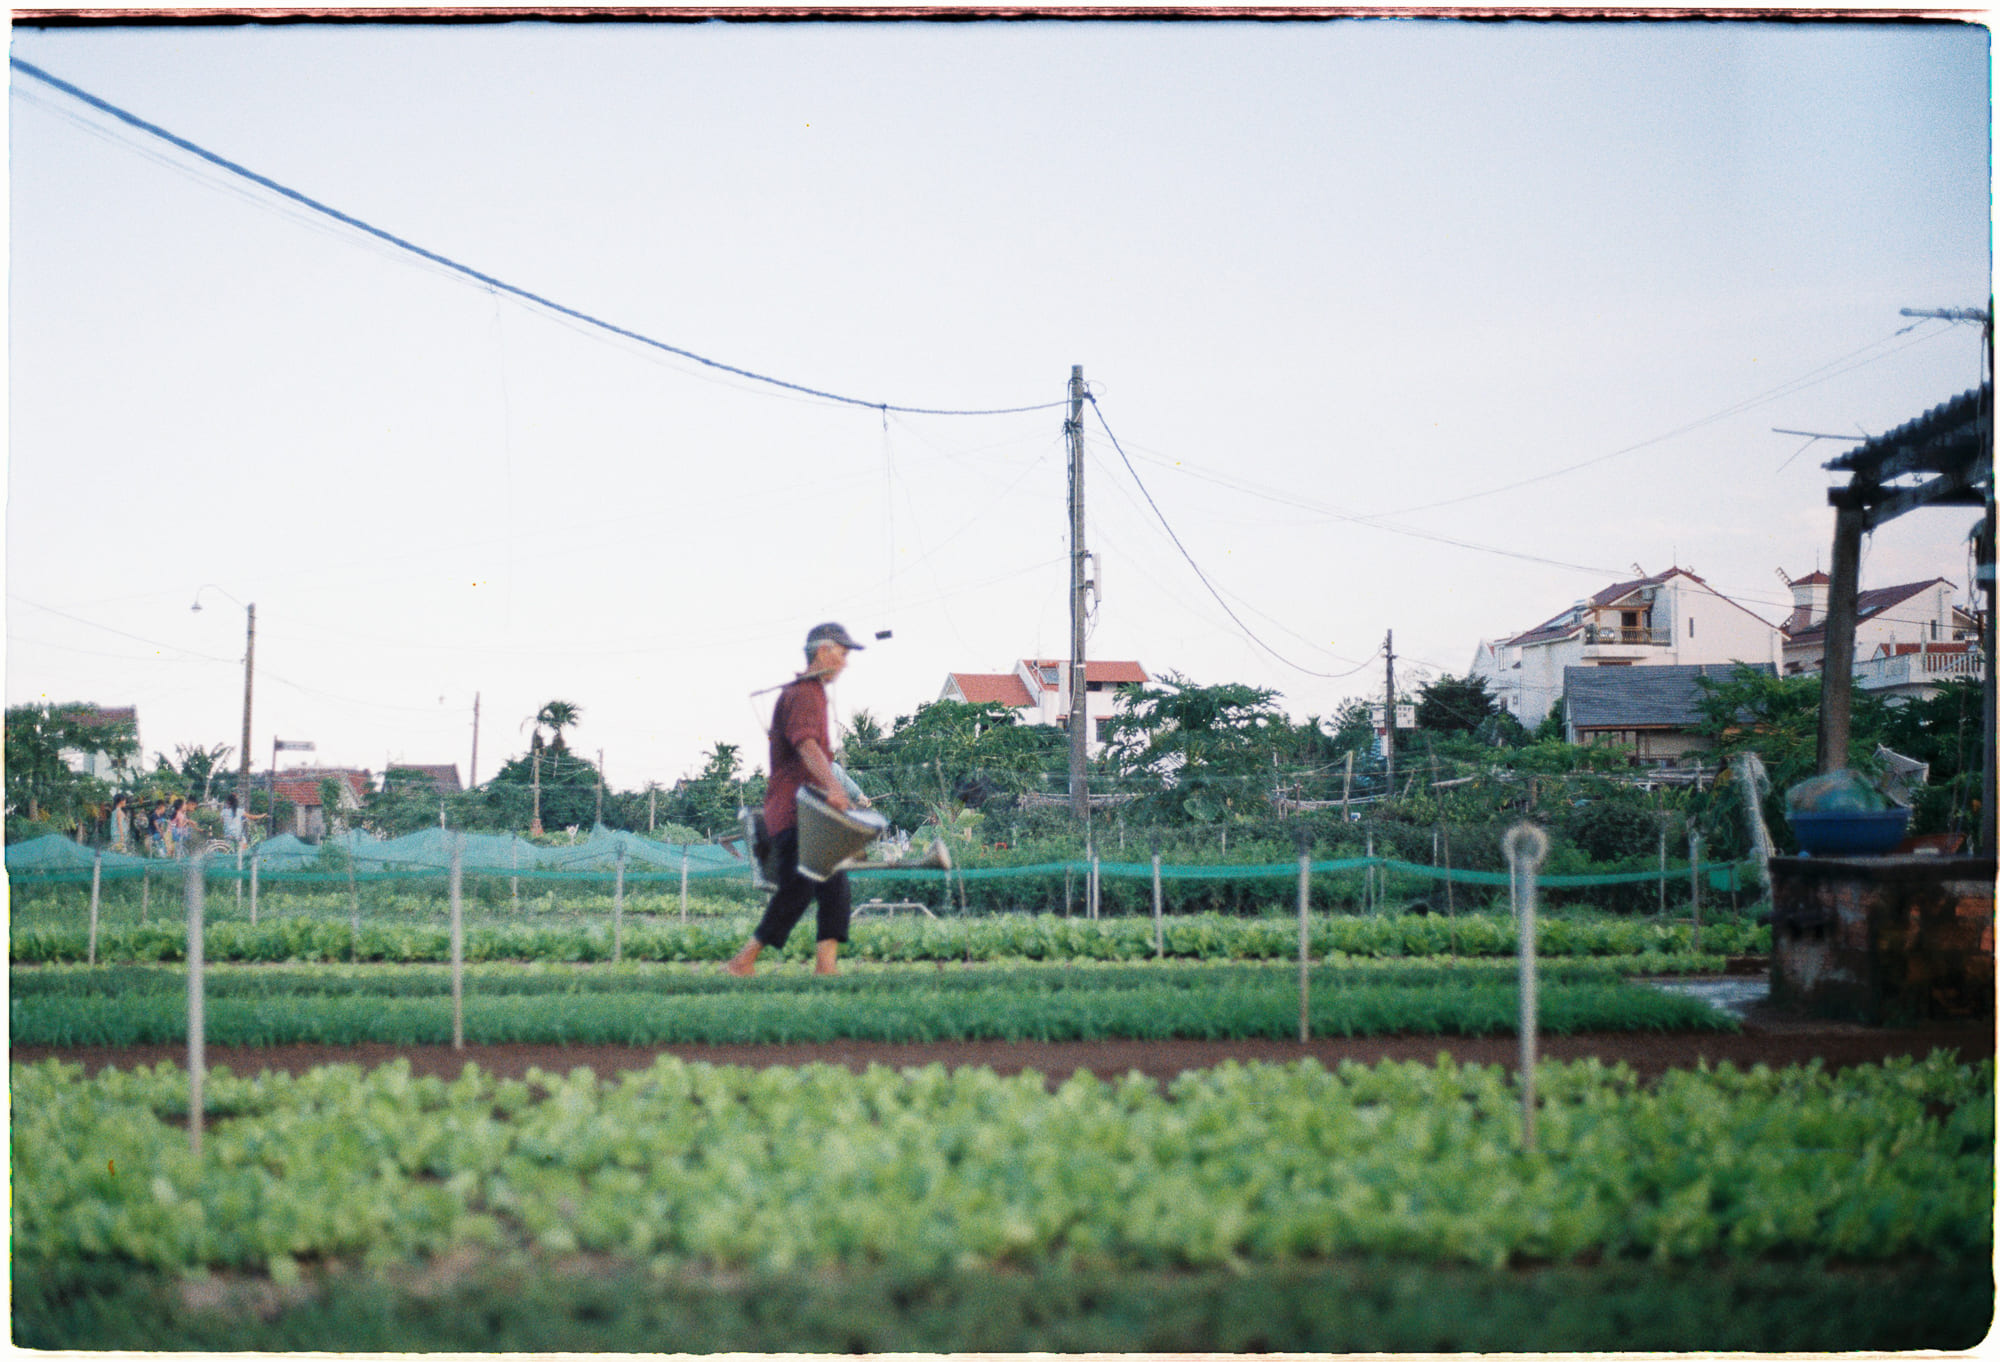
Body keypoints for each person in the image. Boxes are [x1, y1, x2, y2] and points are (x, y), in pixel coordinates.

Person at [725, 622, 868, 978]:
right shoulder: (805, 693)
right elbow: (806, 744)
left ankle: (826, 968)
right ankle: (743, 961)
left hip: (808, 812)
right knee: (800, 888)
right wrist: (834, 788)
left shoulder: (811, 692)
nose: (846, 663)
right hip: (796, 813)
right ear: (825, 650)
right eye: (843, 653)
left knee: (835, 886)